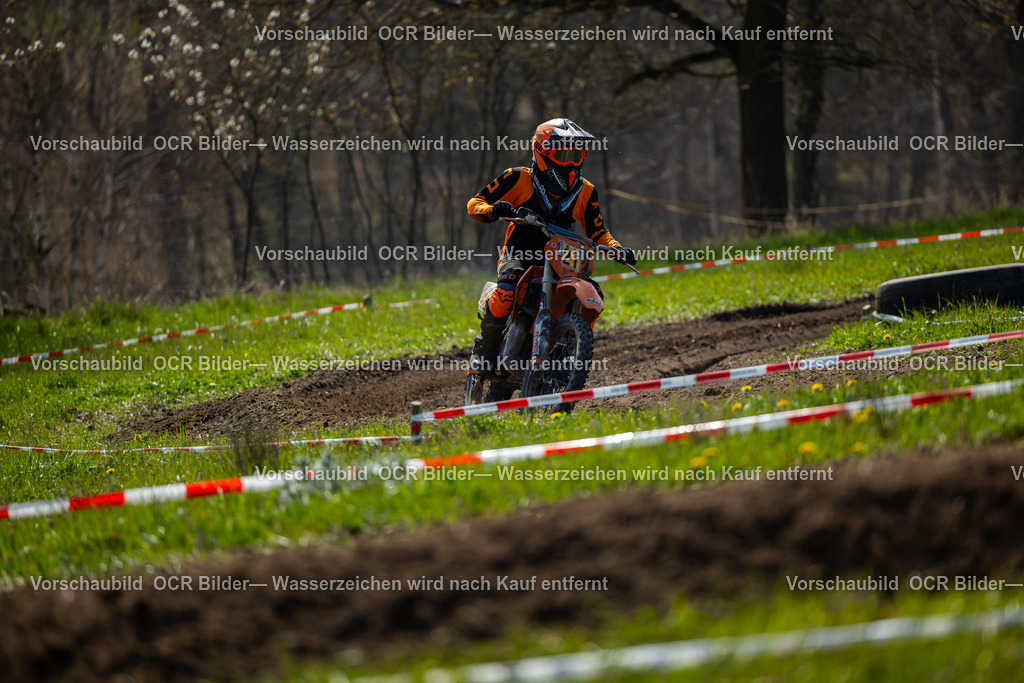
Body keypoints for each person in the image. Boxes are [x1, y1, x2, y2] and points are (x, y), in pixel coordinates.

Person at [466, 117, 636, 373]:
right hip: (519, 252)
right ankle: (484, 353)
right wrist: (492, 210)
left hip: (561, 256)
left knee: (592, 293)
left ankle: (565, 353)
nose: (569, 162)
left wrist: (616, 248)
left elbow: (599, 232)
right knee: (507, 290)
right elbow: (474, 203)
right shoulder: (518, 178)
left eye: (576, 155)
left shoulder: (585, 191)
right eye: (563, 153)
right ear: (543, 151)